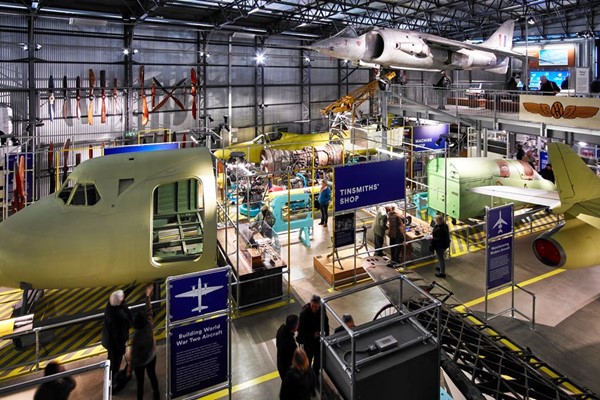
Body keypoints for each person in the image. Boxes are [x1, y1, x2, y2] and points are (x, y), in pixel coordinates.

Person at [129, 284, 160, 400]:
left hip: (140, 363)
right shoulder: (149, 324)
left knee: (140, 383)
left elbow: (133, 355)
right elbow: (149, 310)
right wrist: (147, 296)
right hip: (152, 356)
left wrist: (130, 368)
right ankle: (156, 394)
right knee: (152, 376)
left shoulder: (136, 338)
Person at [101, 289, 132, 382]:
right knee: (115, 364)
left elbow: (118, 298)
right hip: (116, 345)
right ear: (121, 302)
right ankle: (112, 381)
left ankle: (109, 374)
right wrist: (122, 349)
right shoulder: (120, 317)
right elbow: (118, 335)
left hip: (108, 341)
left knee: (110, 359)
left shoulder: (110, 305)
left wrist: (131, 288)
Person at [297, 295, 329, 375]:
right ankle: (308, 375)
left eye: (316, 307)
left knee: (318, 359)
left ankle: (315, 374)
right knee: (308, 359)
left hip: (319, 340)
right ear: (310, 304)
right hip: (309, 341)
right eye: (312, 306)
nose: (314, 309)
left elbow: (326, 324)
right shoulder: (304, 313)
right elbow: (301, 330)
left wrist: (326, 336)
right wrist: (312, 334)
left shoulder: (322, 311)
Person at [276, 314, 299, 380]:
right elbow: (294, 355)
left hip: (281, 364)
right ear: (294, 329)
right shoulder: (289, 342)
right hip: (288, 369)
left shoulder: (281, 329)